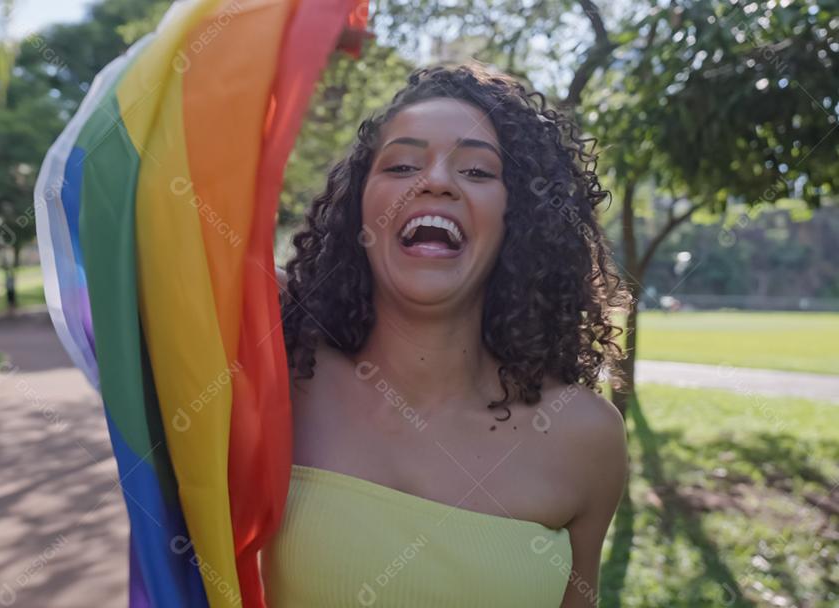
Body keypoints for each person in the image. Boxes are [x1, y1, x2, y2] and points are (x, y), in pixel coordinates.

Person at [261, 65, 630, 607]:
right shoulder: (278, 363)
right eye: (403, 163)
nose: (434, 181)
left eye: (478, 171)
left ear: (518, 218)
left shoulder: (586, 437)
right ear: (359, 208)